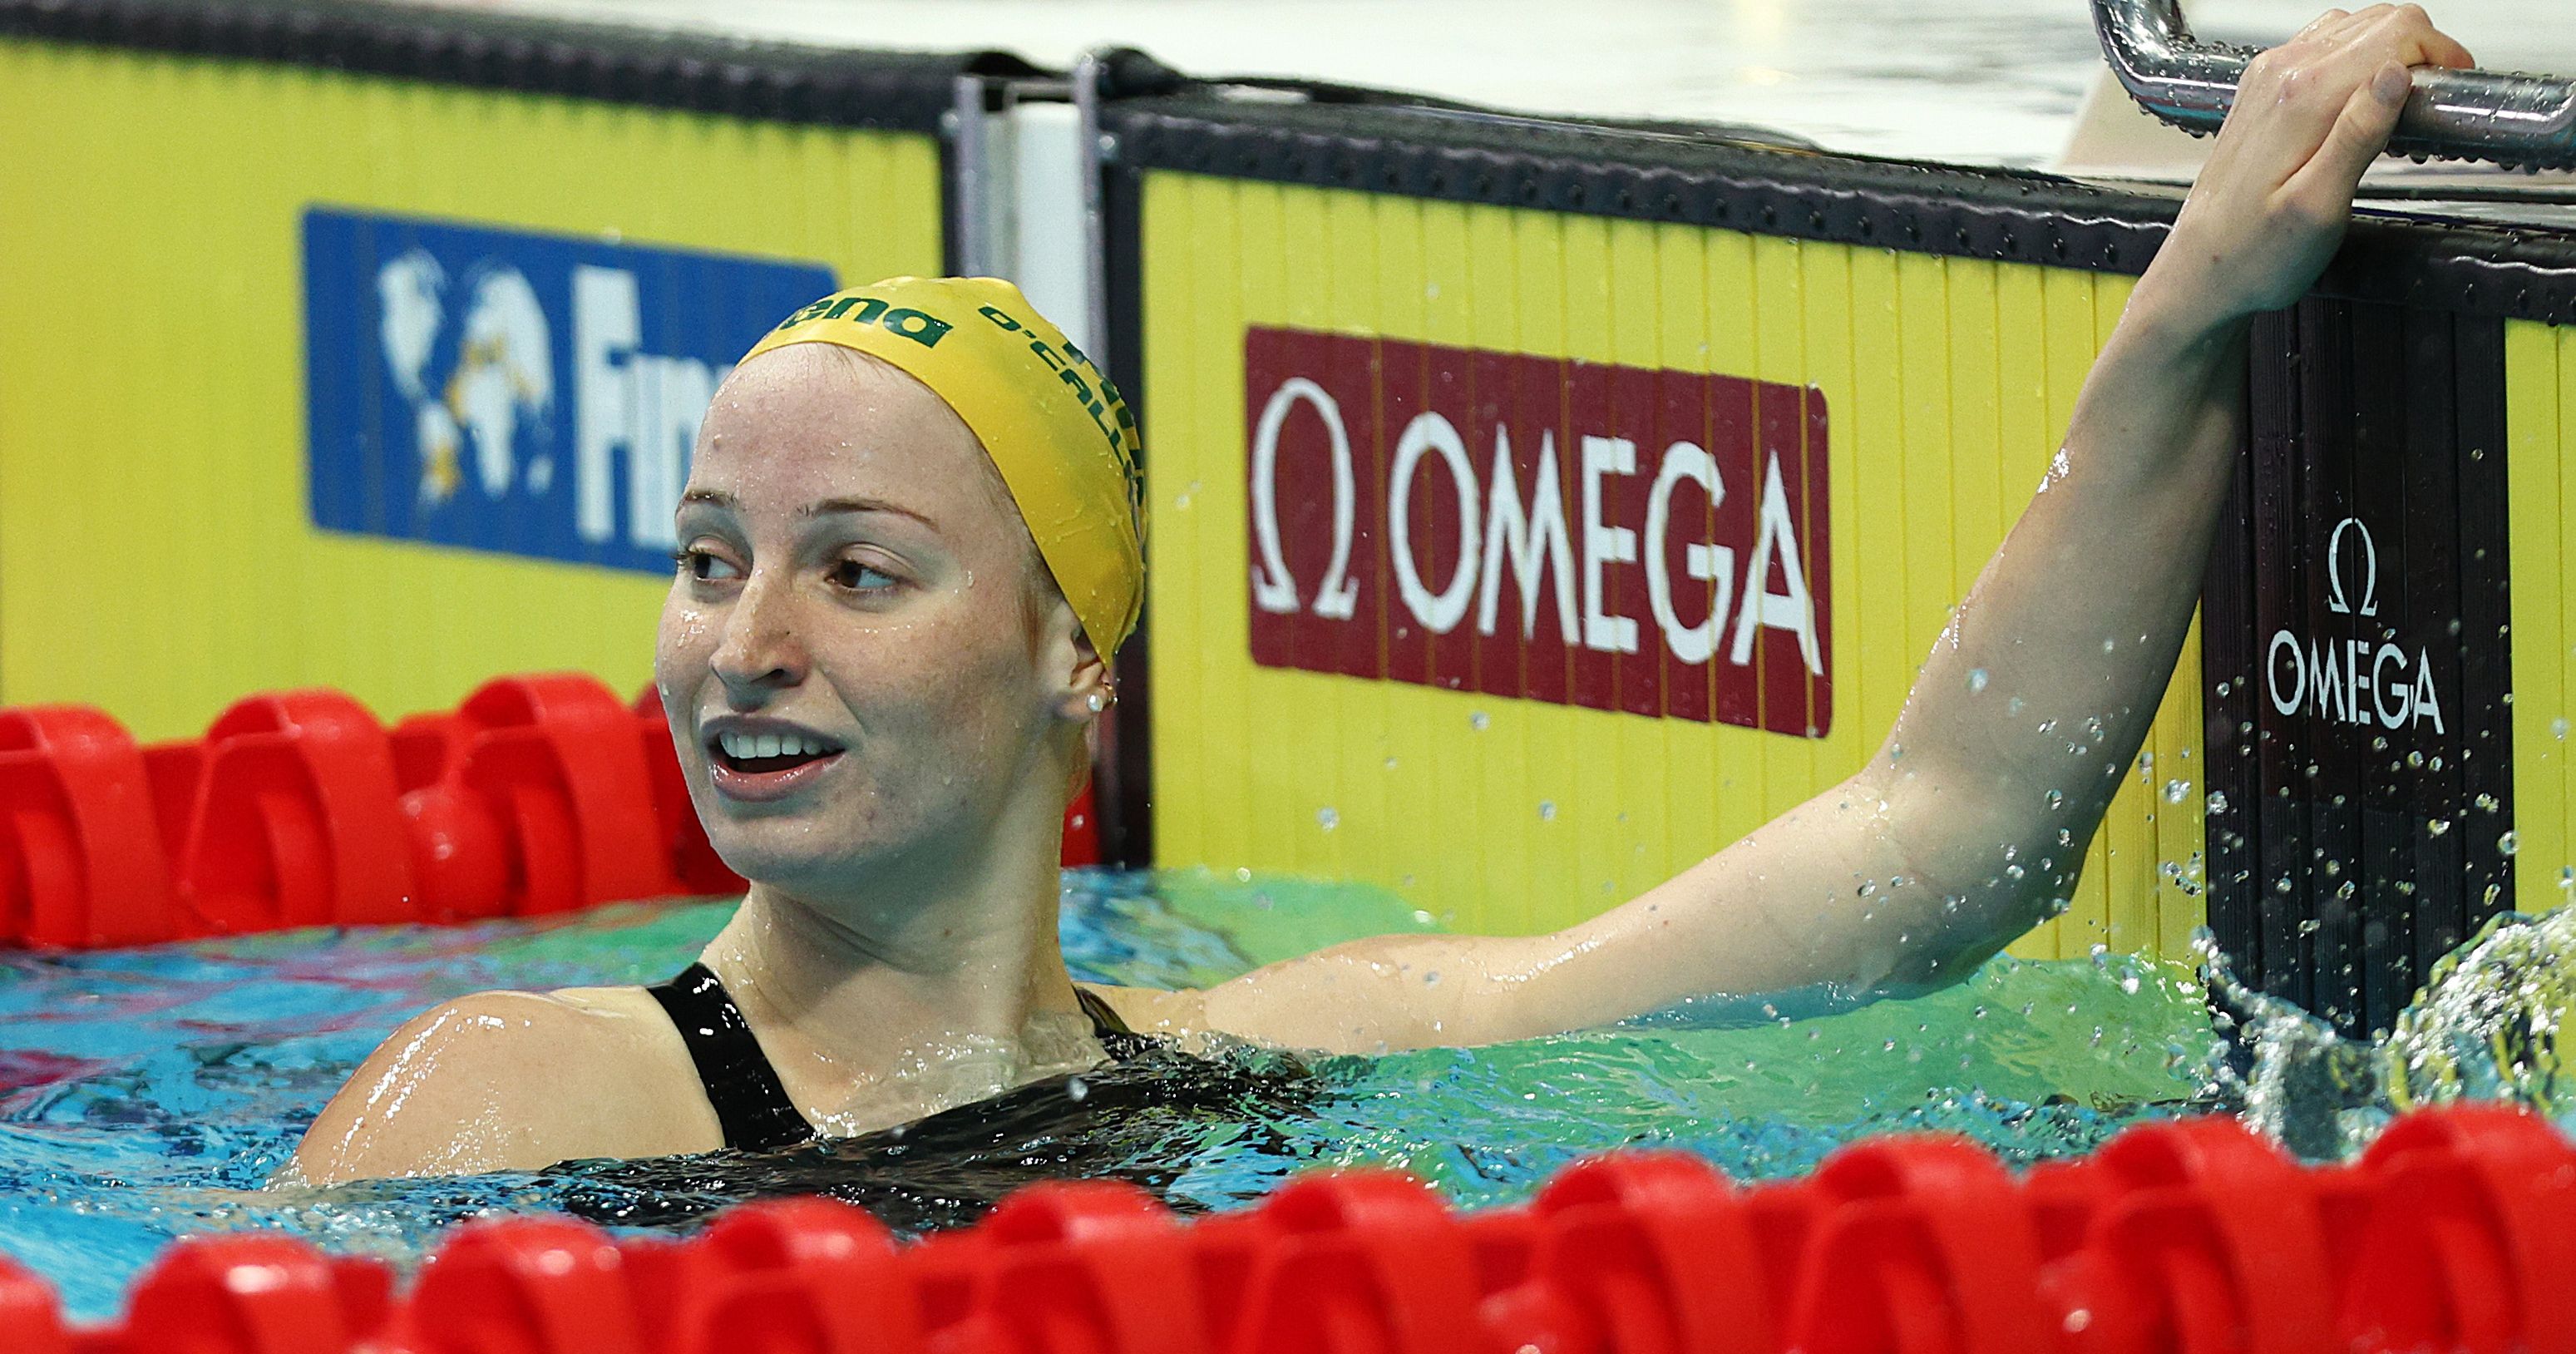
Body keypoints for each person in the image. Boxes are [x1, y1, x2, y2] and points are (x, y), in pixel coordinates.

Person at [289, 5, 2475, 1184]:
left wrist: (2192, 307)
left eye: (855, 570)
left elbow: (1940, 840)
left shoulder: (1282, 1059)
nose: (741, 642)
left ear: (1074, 660)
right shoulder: (522, 1098)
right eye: (703, 561)